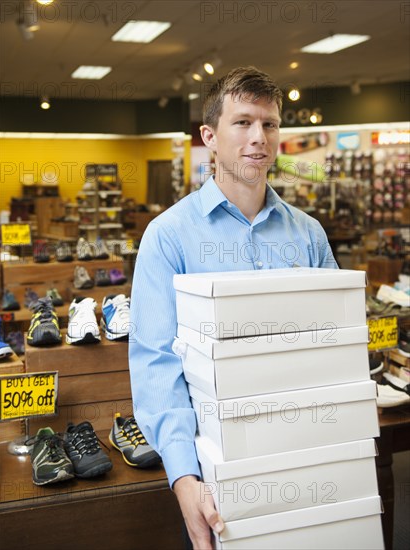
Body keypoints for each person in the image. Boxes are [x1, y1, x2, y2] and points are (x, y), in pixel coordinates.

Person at [128, 66, 337, 550]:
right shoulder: (168, 237)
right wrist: (185, 480)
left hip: (306, 454)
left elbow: (334, 343)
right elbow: (156, 364)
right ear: (210, 137)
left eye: (269, 124)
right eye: (242, 123)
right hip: (216, 471)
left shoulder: (309, 234)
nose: (258, 138)